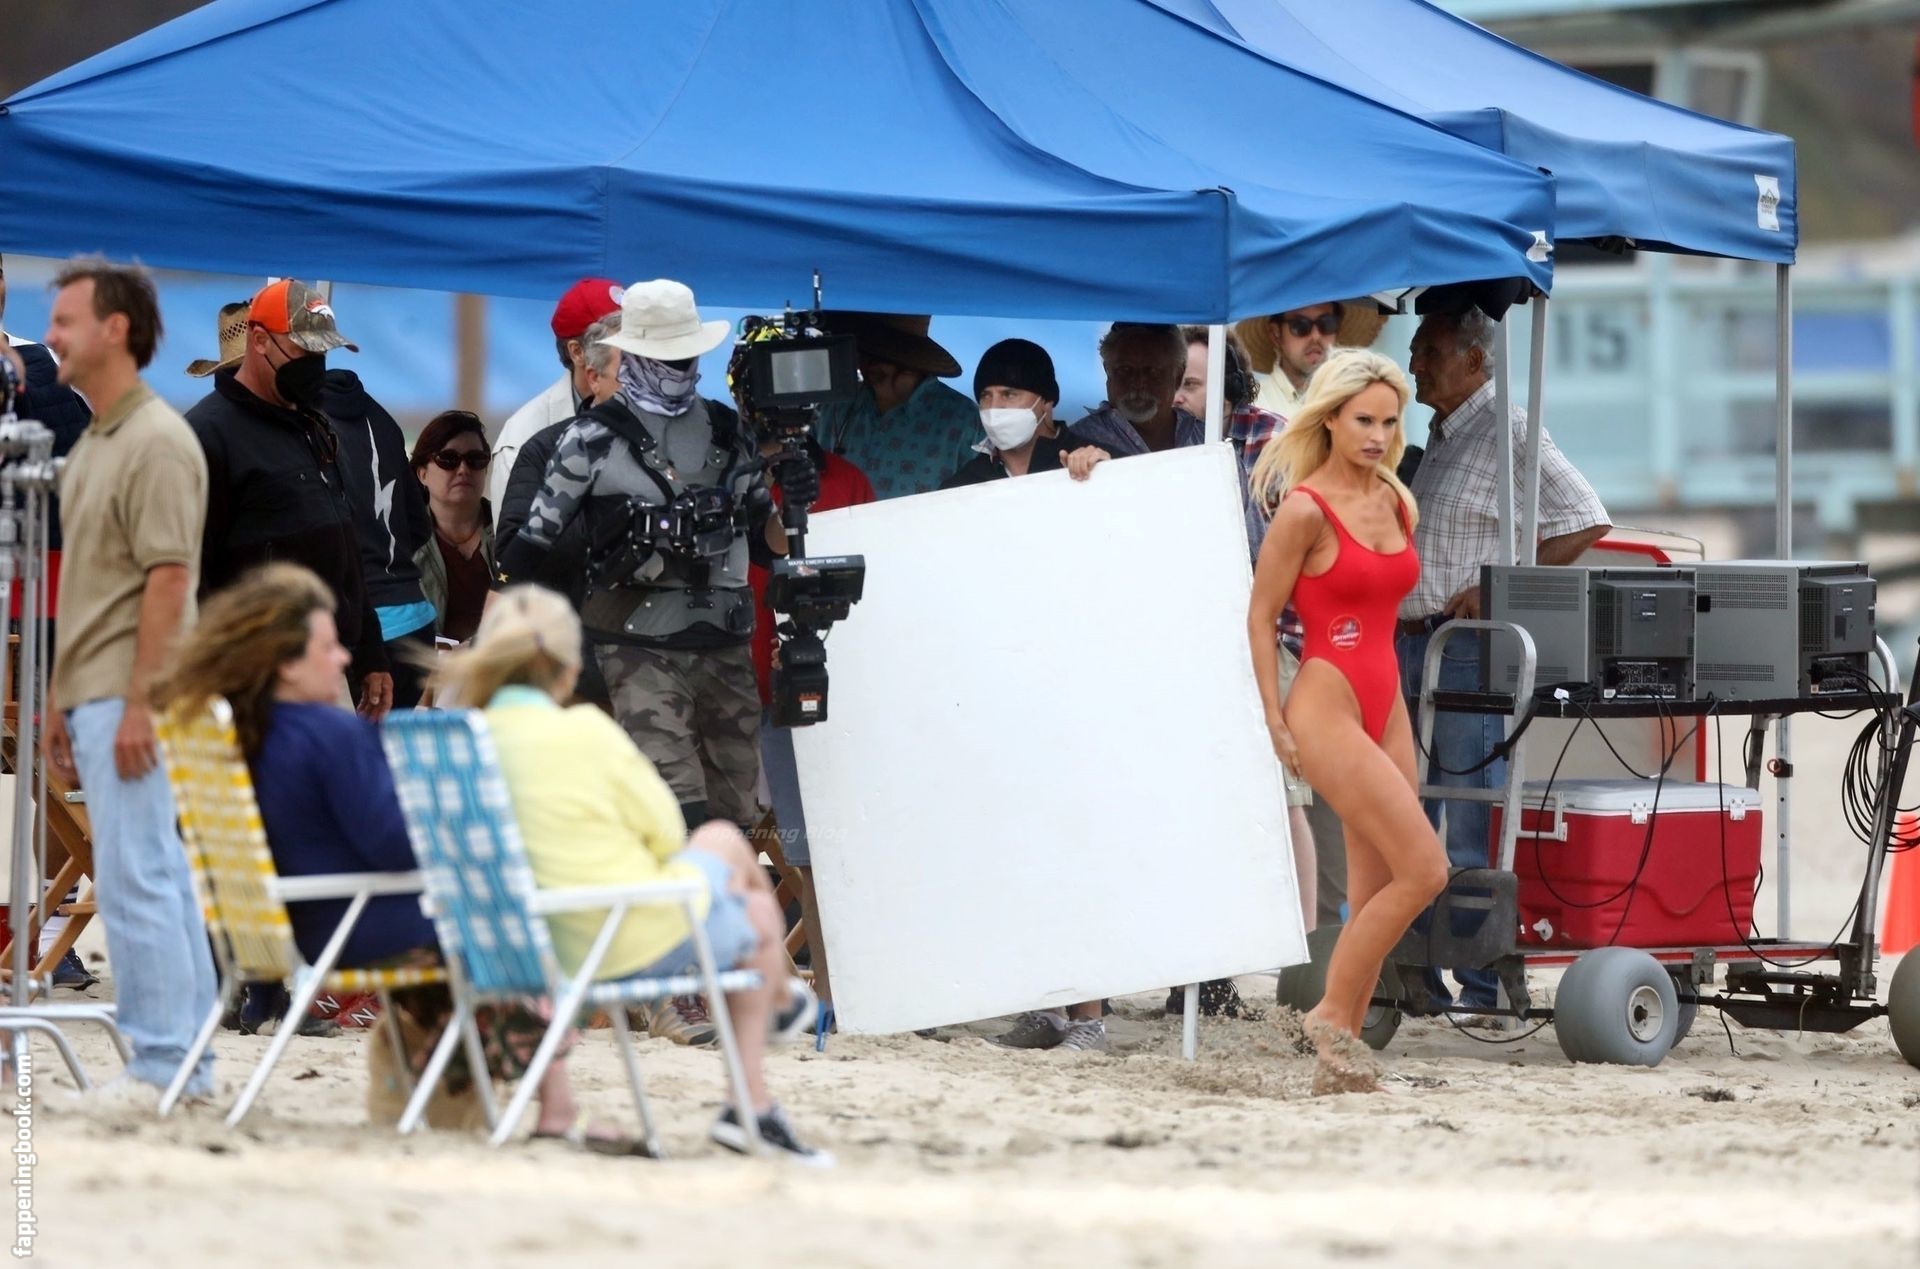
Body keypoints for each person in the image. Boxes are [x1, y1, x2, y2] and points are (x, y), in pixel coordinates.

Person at [155, 564, 629, 1149]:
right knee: (510, 930)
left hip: (284, 928)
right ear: (286, 663)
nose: (343, 659)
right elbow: (394, 845)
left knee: (474, 936)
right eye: (328, 648)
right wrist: (445, 822)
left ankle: (425, 1074)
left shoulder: (242, 735)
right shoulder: (328, 735)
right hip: (355, 925)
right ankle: (553, 1107)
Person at [497, 280, 808, 1048]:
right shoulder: (587, 440)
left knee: (732, 819)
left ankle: (717, 974)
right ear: (630, 355)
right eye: (663, 358)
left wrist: (789, 500)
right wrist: (627, 537)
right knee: (677, 811)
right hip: (635, 645)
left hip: (722, 643)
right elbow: (524, 550)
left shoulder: (727, 432)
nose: (678, 373)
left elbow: (768, 540)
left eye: (685, 358)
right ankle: (676, 989)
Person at [437, 585, 829, 1163]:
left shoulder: (453, 744)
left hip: (508, 944)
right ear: (569, 671)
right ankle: (754, 1090)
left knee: (710, 852)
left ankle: (558, 1108)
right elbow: (667, 834)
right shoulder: (586, 733)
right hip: (618, 940)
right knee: (731, 861)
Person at [40, 258, 219, 1107]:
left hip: (132, 691)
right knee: (153, 871)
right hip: (99, 688)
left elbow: (169, 580)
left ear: (115, 329)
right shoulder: (99, 441)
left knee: (138, 875)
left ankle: (162, 1062)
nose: (51, 336)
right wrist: (59, 696)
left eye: (65, 320)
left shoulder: (155, 440)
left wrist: (141, 702)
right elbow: (89, 584)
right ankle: (185, 1066)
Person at [1247, 349, 1448, 1095]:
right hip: (1325, 700)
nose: (1378, 435)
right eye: (1364, 420)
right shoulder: (1305, 508)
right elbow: (1261, 616)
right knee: (1426, 869)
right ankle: (1331, 1013)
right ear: (1329, 418)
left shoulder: (1396, 499)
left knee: (1375, 892)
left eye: (1390, 422)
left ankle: (1342, 1063)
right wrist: (1274, 720)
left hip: (1386, 701)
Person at [1399, 309, 1611, 1015]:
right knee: (1413, 812)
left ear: (1473, 360)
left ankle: (1482, 984)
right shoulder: (1441, 432)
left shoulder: (1509, 428)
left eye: (1429, 350)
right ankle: (1424, 976)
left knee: (1469, 818)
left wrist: (1499, 587)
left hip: (1464, 647)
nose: (1415, 362)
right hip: (1415, 642)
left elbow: (1585, 516)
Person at [185, 279, 393, 718]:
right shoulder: (208, 434)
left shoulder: (315, 426)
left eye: (323, 353)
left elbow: (345, 546)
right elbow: (190, 571)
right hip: (254, 677)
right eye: (304, 351)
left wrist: (371, 651)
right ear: (259, 340)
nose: (315, 365)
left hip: (326, 665)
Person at [740, 362, 875, 1024]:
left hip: (834, 691)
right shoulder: (730, 481)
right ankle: (823, 991)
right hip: (743, 688)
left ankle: (846, 991)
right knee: (796, 849)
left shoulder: (847, 482)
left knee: (832, 846)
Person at [1177, 326, 1318, 931]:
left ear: (1227, 387)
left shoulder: (1273, 441)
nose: (1177, 395)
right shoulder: (1173, 441)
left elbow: (1303, 549)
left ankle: (1302, 947)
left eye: (1190, 384)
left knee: (1282, 800)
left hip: (1272, 641)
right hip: (1200, 646)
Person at [2, 251, 99, 991]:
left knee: (50, 767)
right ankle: (41, 926)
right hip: (46, 598)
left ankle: (39, 925)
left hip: (41, 598)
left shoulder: (40, 368)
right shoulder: (46, 367)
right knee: (47, 767)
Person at [494, 311, 626, 709]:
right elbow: (510, 557)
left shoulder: (687, 450)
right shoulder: (544, 445)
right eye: (629, 372)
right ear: (593, 375)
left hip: (670, 665)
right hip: (577, 669)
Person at [322, 348, 437, 707]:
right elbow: (419, 524)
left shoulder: (303, 427)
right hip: (415, 618)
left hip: (356, 629)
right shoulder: (382, 418)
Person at [488, 278, 626, 521]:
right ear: (577, 352)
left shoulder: (660, 416)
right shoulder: (523, 436)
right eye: (620, 341)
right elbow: (513, 542)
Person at [812, 312, 979, 499]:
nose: (865, 362)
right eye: (862, 350)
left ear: (909, 361)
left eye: (878, 354)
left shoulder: (964, 420)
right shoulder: (833, 407)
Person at [939, 338, 1098, 488]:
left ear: (1046, 401)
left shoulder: (1096, 462)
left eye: (1009, 395)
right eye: (986, 396)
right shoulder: (961, 486)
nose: (995, 407)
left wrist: (1106, 469)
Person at [410, 411, 495, 646]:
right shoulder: (401, 542)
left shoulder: (511, 531)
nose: (463, 469)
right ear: (422, 473)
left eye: (475, 459)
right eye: (448, 459)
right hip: (427, 665)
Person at [1068, 321, 1202, 466]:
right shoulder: (1077, 442)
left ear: (1178, 376)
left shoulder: (1206, 436)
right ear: (1108, 372)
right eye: (1125, 370)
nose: (1138, 383)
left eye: (1152, 371)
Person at [1251, 302, 1343, 417]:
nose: (1315, 336)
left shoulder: (1352, 399)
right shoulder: (1254, 406)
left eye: (1327, 324)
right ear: (1276, 334)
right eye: (1300, 325)